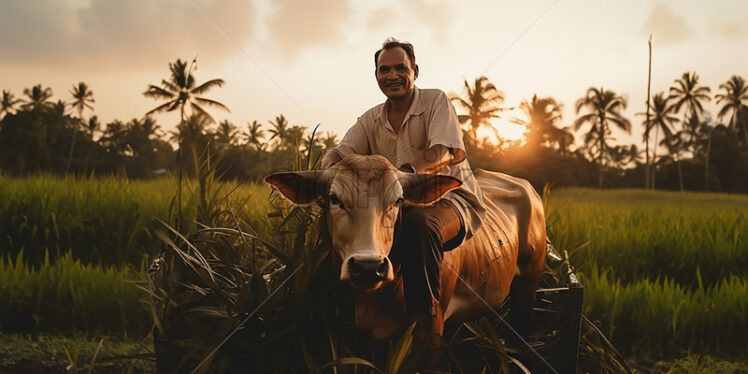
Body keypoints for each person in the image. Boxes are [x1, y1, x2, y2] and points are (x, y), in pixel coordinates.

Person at [321, 38, 485, 317]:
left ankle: (426, 320)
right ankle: (328, 310)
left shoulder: (436, 100)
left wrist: (404, 175)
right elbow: (339, 152)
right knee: (330, 217)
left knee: (419, 225)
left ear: (415, 71)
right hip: (393, 203)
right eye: (384, 70)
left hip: (448, 198)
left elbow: (443, 152)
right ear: (376, 76)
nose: (392, 76)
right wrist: (330, 172)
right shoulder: (370, 119)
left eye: (401, 68)